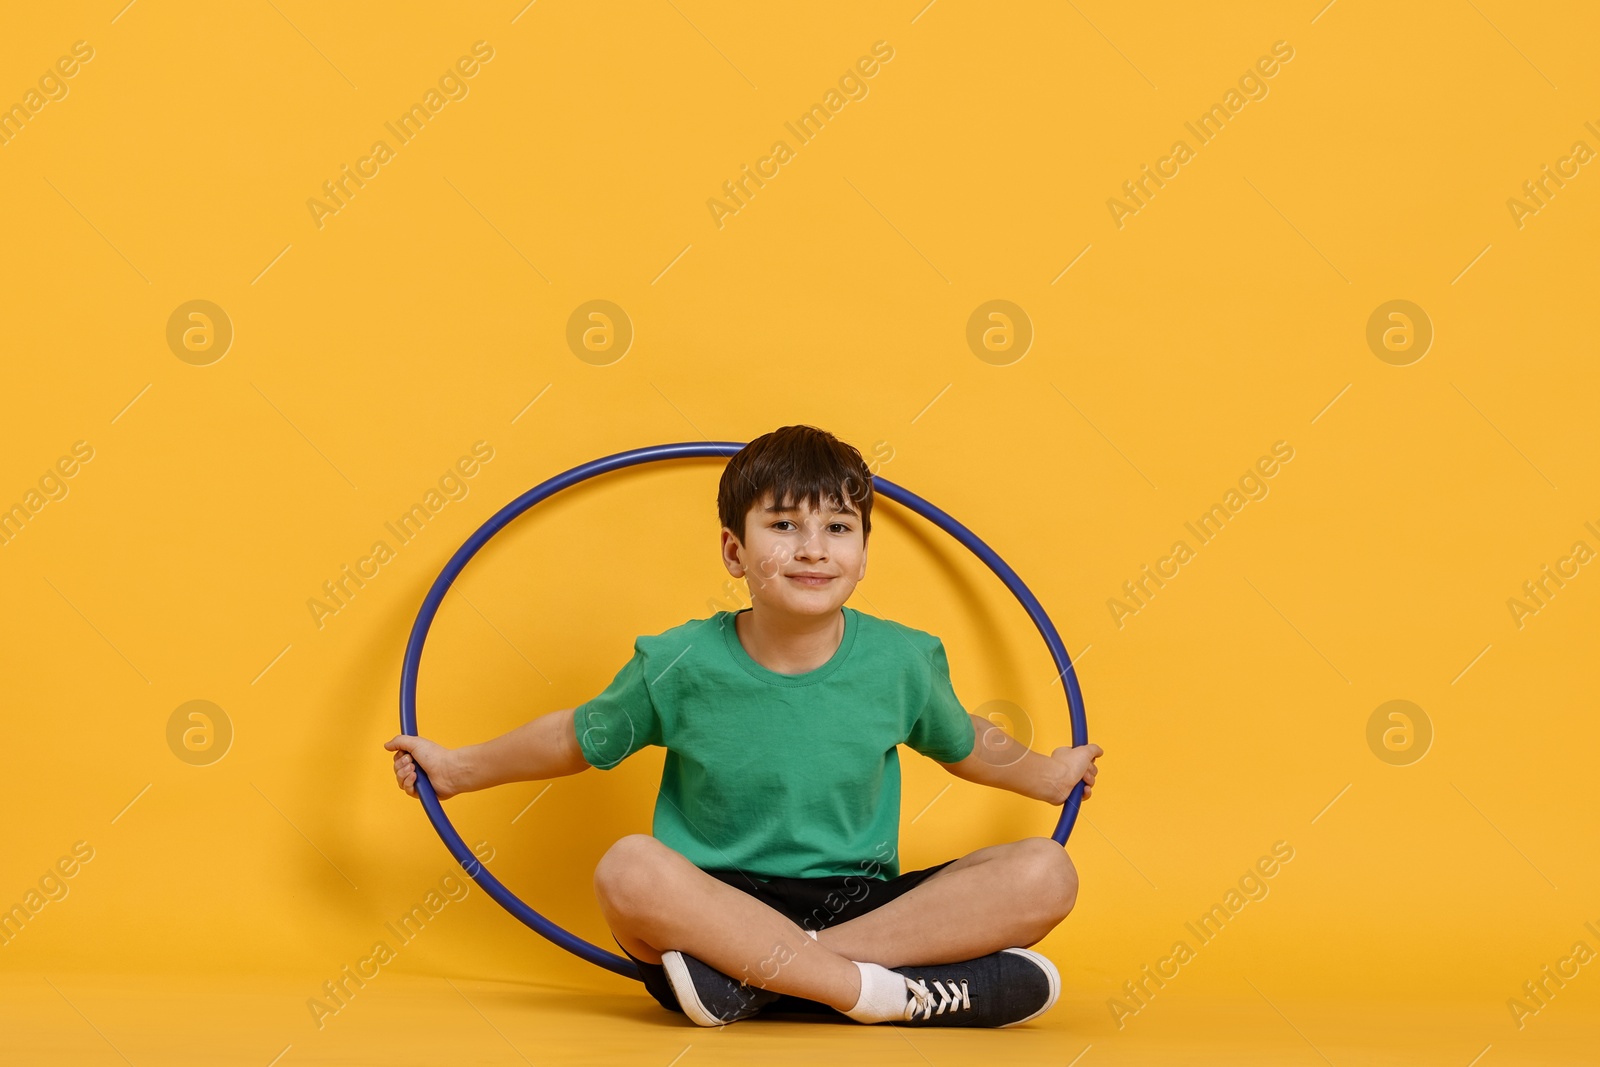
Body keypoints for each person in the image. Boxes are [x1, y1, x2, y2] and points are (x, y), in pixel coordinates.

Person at [385, 424, 1102, 1028]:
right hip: (713, 908)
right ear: (734, 551)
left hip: (856, 903)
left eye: (838, 528)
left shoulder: (902, 659)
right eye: (784, 525)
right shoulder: (678, 661)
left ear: (863, 553)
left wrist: (1048, 773)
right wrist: (459, 768)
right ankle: (880, 992)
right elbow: (577, 735)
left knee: (1046, 871)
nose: (814, 548)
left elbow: (966, 740)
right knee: (628, 869)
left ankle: (774, 974)